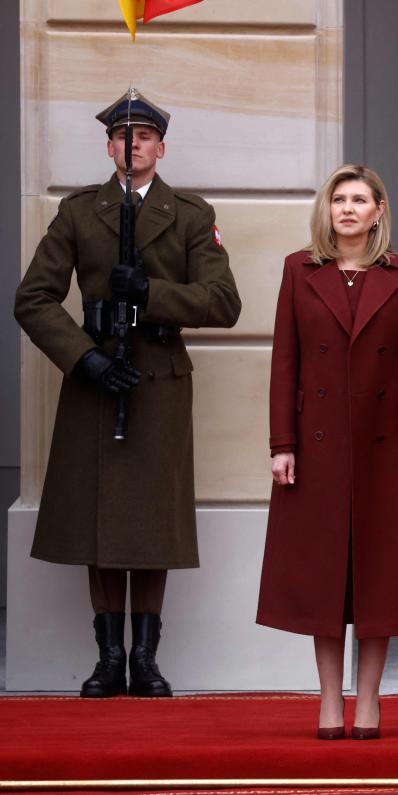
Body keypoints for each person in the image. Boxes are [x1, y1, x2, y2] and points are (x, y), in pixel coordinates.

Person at [14, 89, 241, 698]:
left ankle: (147, 658)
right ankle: (108, 657)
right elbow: (32, 298)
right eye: (122, 135)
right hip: (96, 377)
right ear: (109, 146)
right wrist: (83, 358)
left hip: (159, 380)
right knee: (101, 520)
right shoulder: (78, 212)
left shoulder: (191, 214)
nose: (132, 144)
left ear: (160, 149)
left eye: (143, 136)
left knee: (152, 523)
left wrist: (153, 294)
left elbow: (224, 303)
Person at [256, 164, 398, 741]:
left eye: (360, 199)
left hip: (385, 444)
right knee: (323, 576)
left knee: (380, 575)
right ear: (327, 211)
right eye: (340, 200)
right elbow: (285, 363)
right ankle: (329, 700)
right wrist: (282, 443)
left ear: (379, 211)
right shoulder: (298, 270)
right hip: (316, 446)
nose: (349, 209)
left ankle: (372, 700)